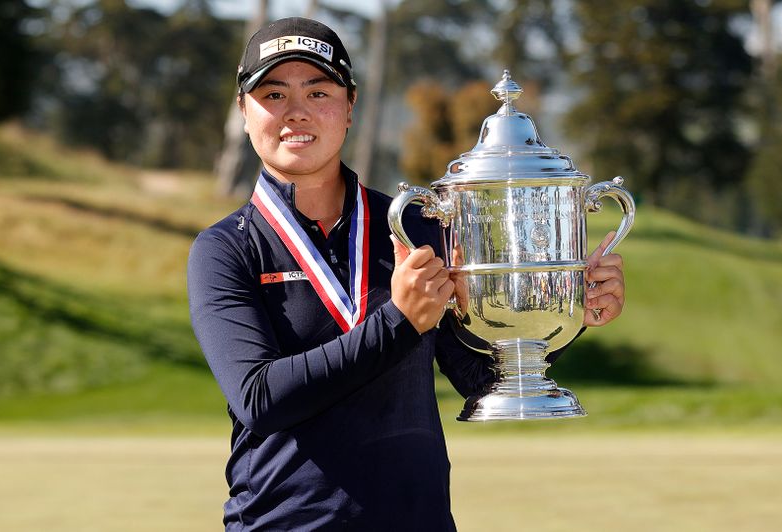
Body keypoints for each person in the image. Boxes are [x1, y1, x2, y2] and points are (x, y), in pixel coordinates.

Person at [187, 17, 626, 531]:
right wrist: (399, 320)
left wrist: (570, 314)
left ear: (350, 106)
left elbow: (480, 378)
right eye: (274, 94)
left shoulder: (413, 225)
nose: (297, 112)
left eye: (318, 91)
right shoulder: (224, 249)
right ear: (244, 111)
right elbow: (260, 398)